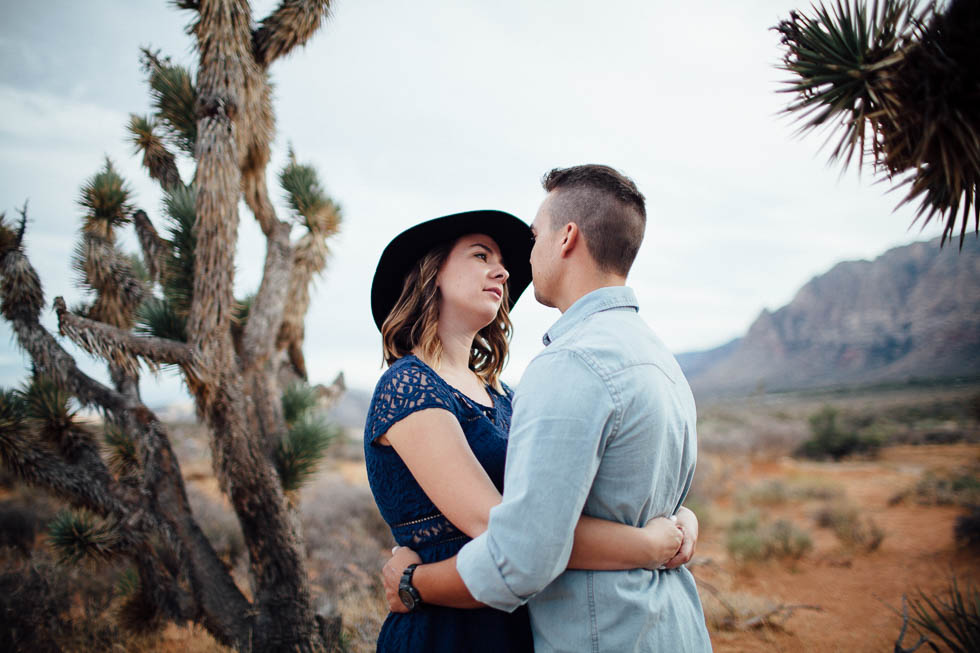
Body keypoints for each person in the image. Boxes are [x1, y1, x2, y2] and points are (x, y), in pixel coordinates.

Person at [382, 167, 712, 652]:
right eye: (481, 255)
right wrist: (654, 538)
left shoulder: (538, 379)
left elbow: (528, 536)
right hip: (452, 630)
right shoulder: (657, 358)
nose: (507, 268)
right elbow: (505, 523)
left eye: (530, 239)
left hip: (561, 624)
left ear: (567, 239)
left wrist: (412, 580)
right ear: (433, 272)